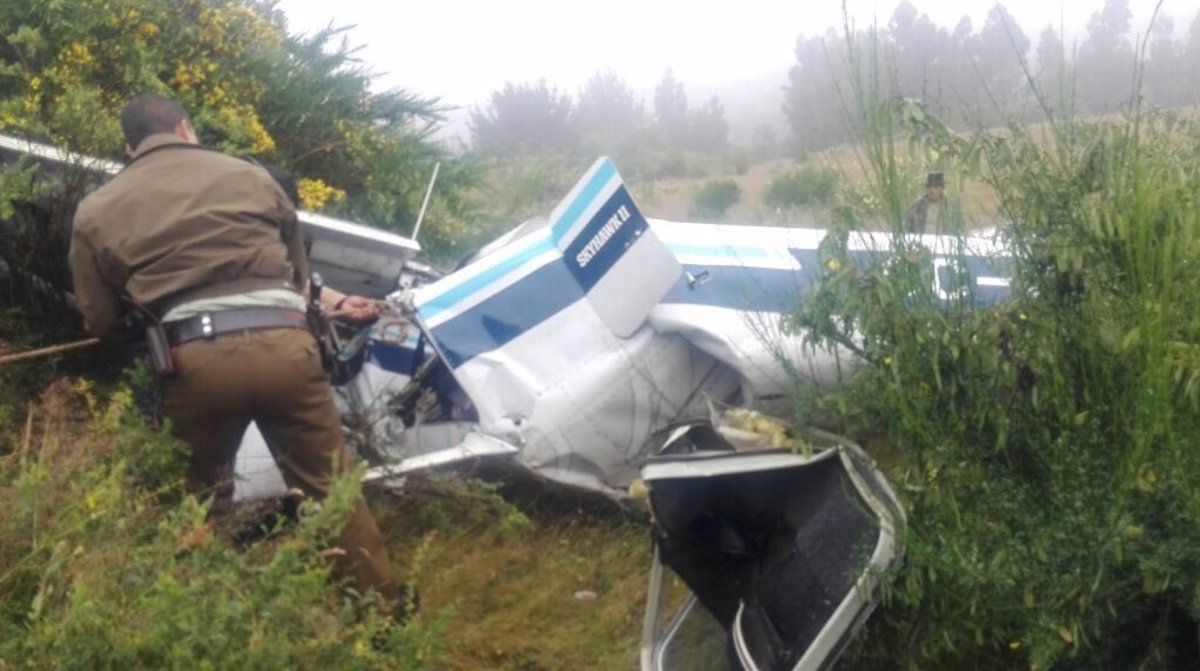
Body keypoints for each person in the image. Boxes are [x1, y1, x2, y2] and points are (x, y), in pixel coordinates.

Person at [69, 93, 408, 617]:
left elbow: (101, 321)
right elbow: (296, 278)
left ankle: (201, 621)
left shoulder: (94, 210)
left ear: (129, 148)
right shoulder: (251, 176)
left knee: (195, 502)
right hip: (287, 348)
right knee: (332, 490)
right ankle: (381, 619)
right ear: (186, 128)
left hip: (193, 362)